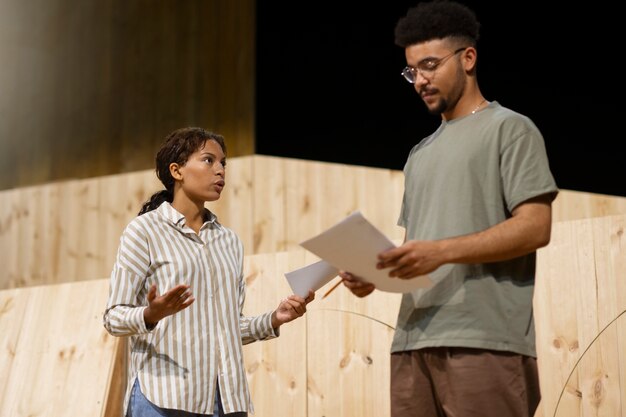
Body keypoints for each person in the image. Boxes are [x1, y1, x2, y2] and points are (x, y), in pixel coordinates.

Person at [339, 1, 558, 417]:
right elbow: (416, 248)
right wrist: (375, 274)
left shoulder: (510, 129)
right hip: (411, 340)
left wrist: (439, 251)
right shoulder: (419, 153)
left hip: (484, 339)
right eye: (411, 71)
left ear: (468, 58)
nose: (420, 80)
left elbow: (535, 227)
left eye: (430, 66)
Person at [103, 127, 314, 417]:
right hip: (165, 399)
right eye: (208, 160)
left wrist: (274, 318)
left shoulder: (229, 241)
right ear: (176, 171)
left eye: (223, 163)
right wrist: (150, 314)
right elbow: (113, 318)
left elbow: (228, 328)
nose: (220, 171)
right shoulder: (144, 231)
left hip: (226, 400)